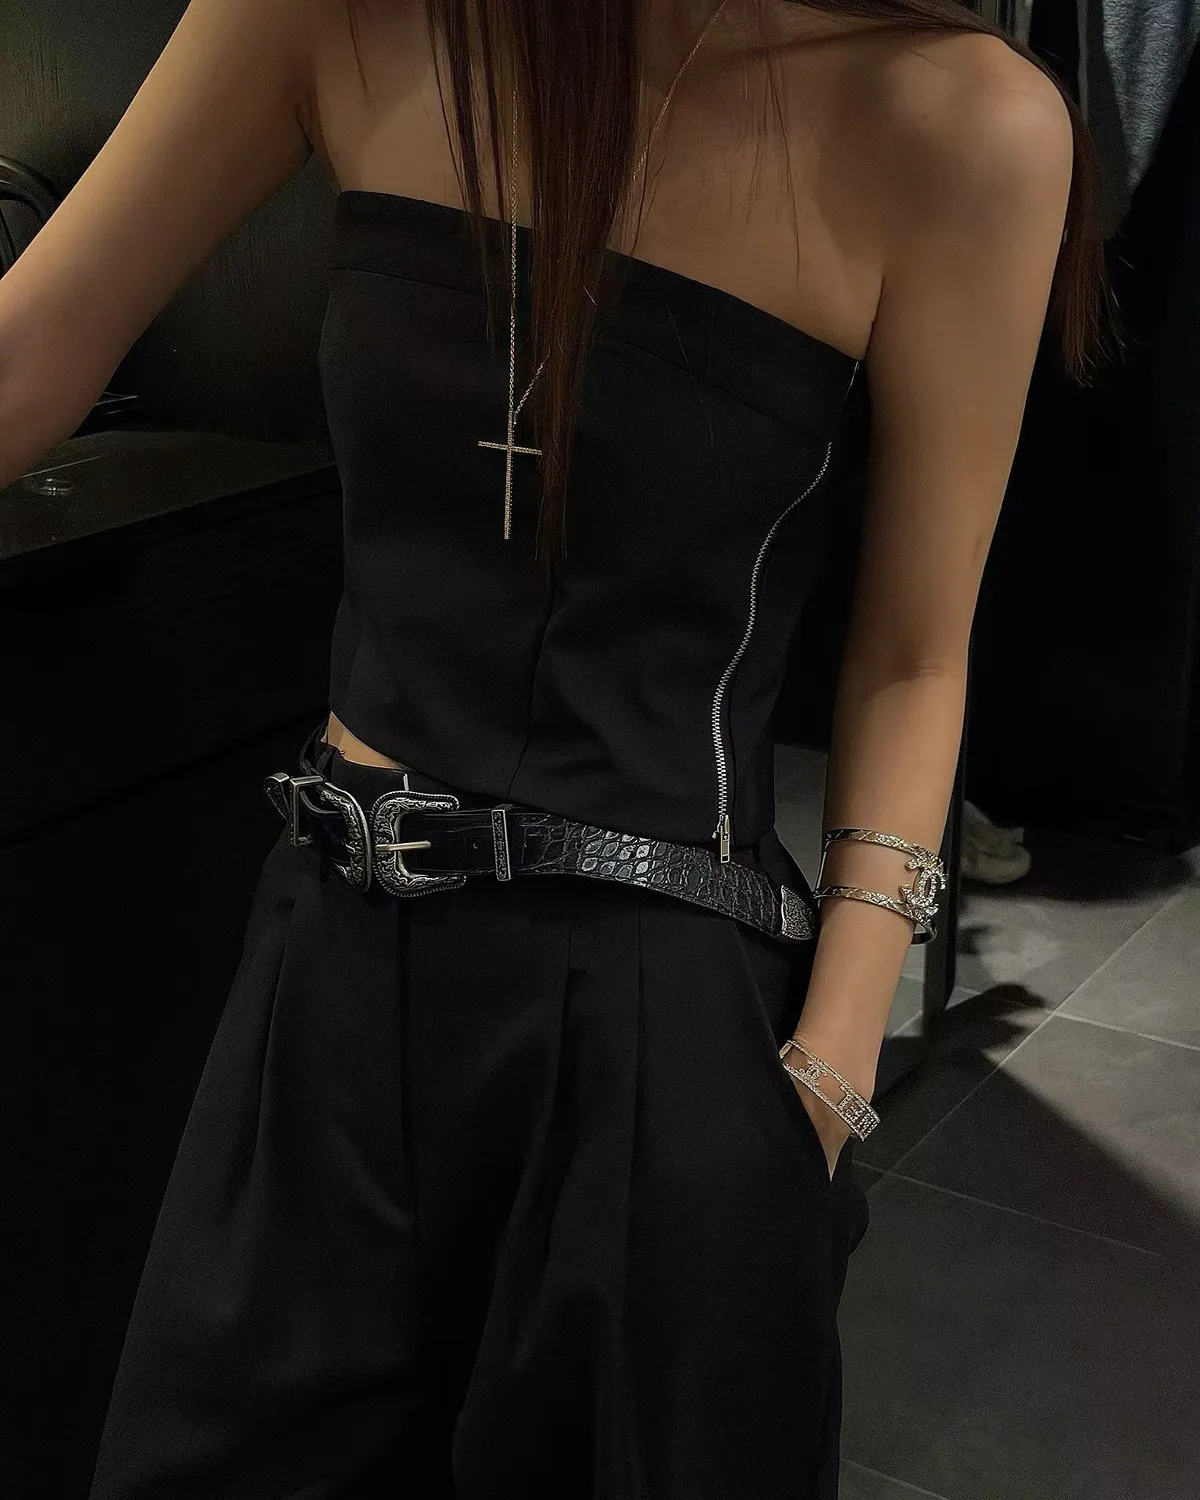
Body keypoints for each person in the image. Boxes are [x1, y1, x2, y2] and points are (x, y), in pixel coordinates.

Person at [0, 0, 1117, 1494]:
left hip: (659, 1020)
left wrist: (830, 1075)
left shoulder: (961, 121)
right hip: (327, 967)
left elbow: (916, 652)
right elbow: (24, 358)